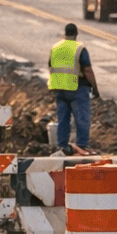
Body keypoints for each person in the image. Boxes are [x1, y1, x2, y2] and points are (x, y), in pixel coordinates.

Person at [48, 23, 99, 155]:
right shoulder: (79, 48)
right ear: (76, 34)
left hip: (59, 87)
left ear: (65, 34)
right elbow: (87, 70)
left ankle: (62, 146)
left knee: (62, 119)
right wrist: (94, 87)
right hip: (77, 87)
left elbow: (50, 65)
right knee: (82, 118)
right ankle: (81, 146)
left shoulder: (56, 47)